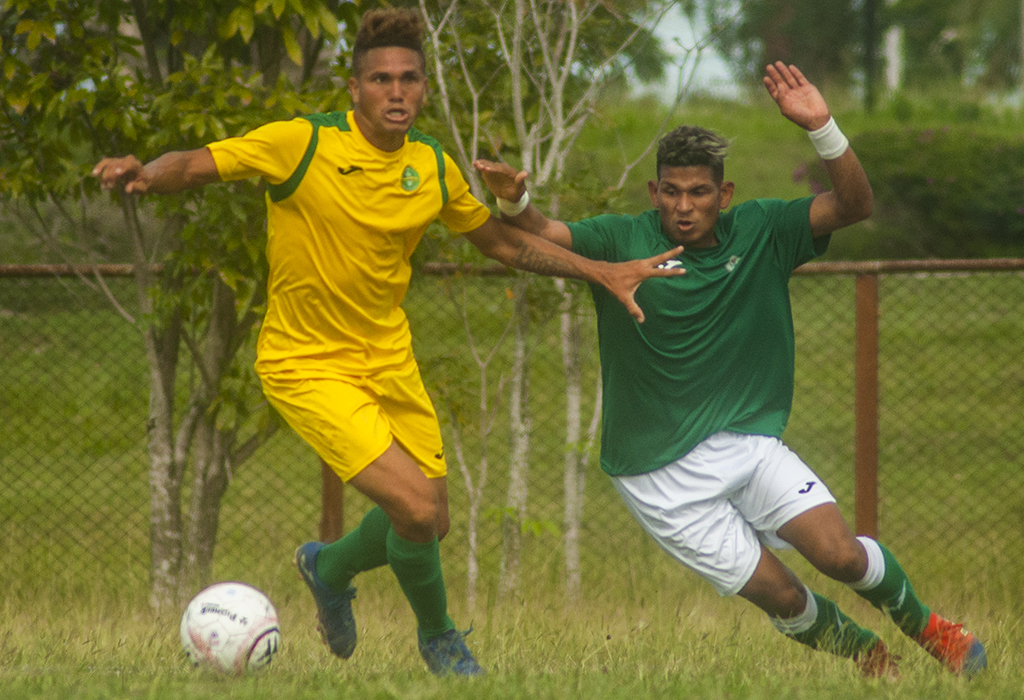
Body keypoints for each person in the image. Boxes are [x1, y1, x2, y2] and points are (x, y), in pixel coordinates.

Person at [92, 8, 683, 678]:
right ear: (353, 89)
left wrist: (601, 272)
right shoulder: (302, 144)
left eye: (409, 79)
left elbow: (502, 244)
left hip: (389, 359)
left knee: (433, 522)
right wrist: (146, 172)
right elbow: (200, 164)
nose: (396, 92)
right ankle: (440, 642)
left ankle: (330, 565)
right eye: (381, 80)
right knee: (414, 508)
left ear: (424, 88)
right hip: (305, 362)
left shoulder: (431, 165)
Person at [474, 62, 987, 678]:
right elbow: (538, 232)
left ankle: (937, 633)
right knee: (786, 597)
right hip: (657, 474)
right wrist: (512, 195)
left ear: (725, 194)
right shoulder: (621, 238)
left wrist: (823, 127)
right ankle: (869, 658)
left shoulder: (765, 229)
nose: (683, 207)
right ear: (654, 193)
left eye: (698, 193)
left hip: (747, 443)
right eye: (671, 191)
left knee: (841, 556)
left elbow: (855, 204)